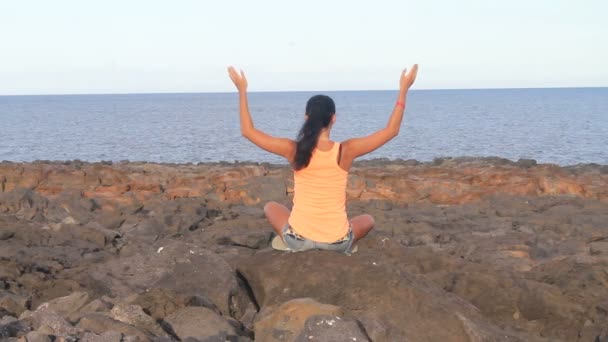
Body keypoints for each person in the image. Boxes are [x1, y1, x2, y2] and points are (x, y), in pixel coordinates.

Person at [227, 64, 418, 253]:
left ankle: (295, 241)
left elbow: (248, 131)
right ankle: (337, 241)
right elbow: (391, 131)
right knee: (368, 219)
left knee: (271, 207)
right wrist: (403, 90)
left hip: (298, 241)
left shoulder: (293, 149)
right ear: (333, 118)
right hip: (337, 243)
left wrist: (242, 91)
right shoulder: (346, 150)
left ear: (306, 117)